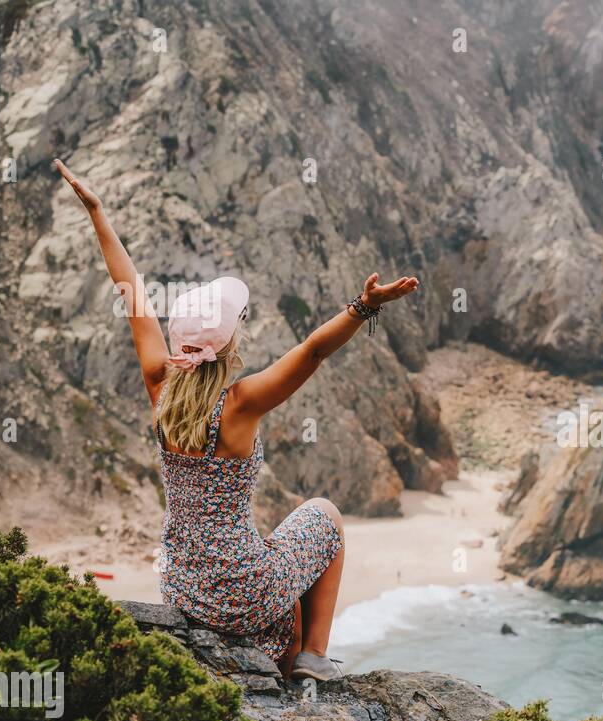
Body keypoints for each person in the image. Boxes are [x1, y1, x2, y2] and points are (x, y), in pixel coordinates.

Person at [54, 158, 419, 681]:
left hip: (182, 588)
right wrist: (363, 306)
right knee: (325, 515)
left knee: (273, 562)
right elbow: (313, 351)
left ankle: (284, 656)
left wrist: (97, 211)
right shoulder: (241, 403)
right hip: (244, 588)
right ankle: (313, 657)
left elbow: (129, 289)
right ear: (229, 343)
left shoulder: (160, 385)